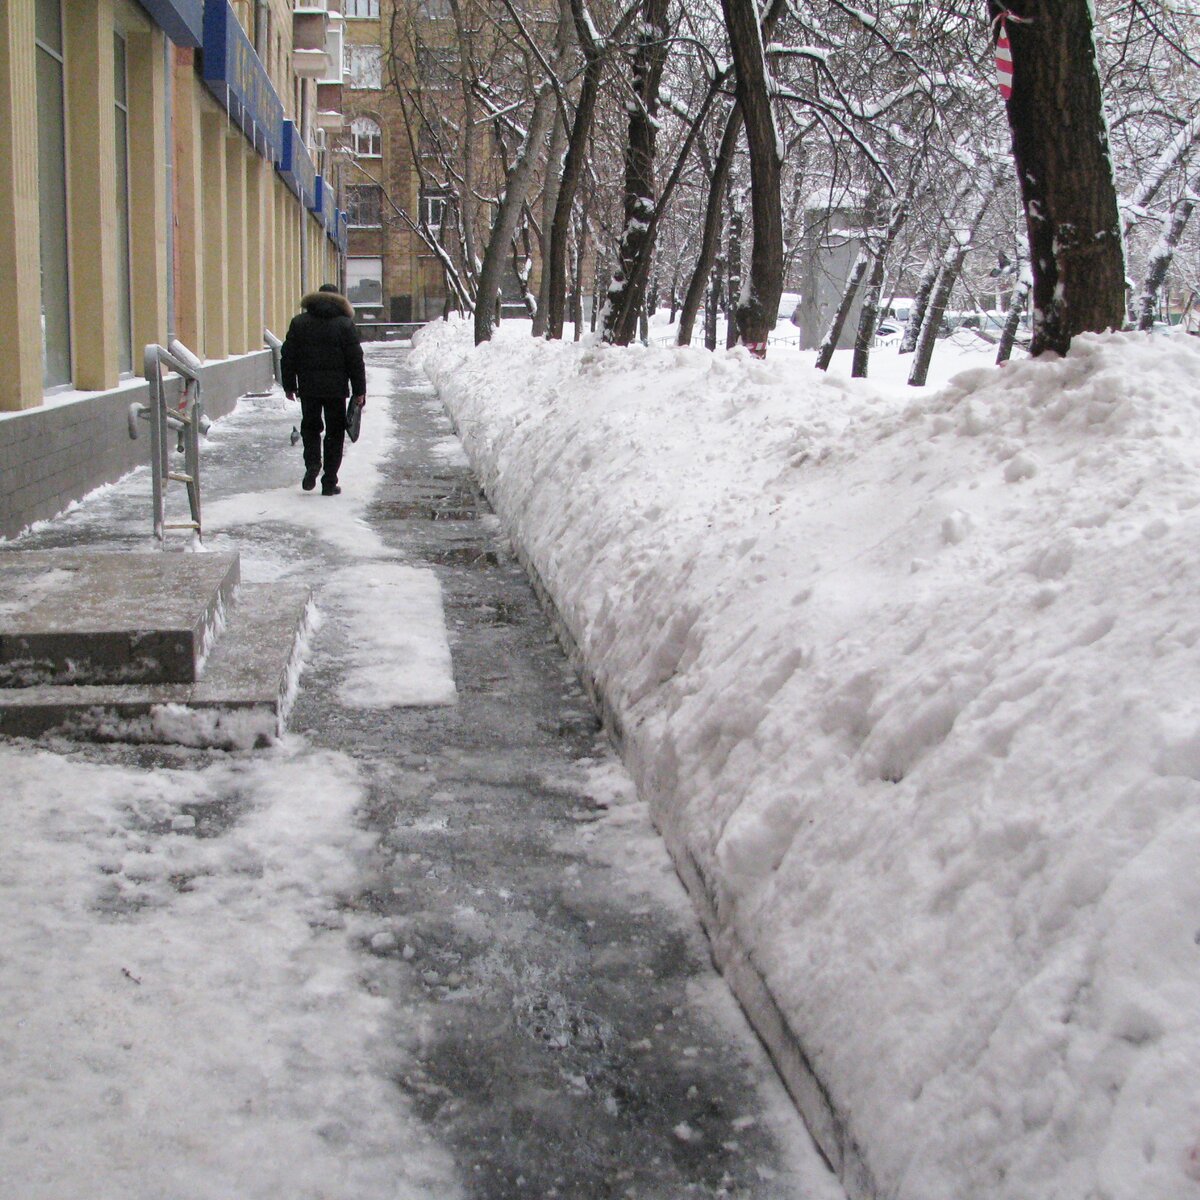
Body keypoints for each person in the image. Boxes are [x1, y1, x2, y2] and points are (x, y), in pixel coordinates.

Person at [280, 283, 366, 496]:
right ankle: (329, 482)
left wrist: (289, 385)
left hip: (308, 388)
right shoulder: (345, 325)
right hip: (336, 390)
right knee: (334, 433)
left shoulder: (299, 323)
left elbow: (288, 356)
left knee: (310, 428)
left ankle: (312, 464)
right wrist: (359, 391)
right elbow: (355, 360)